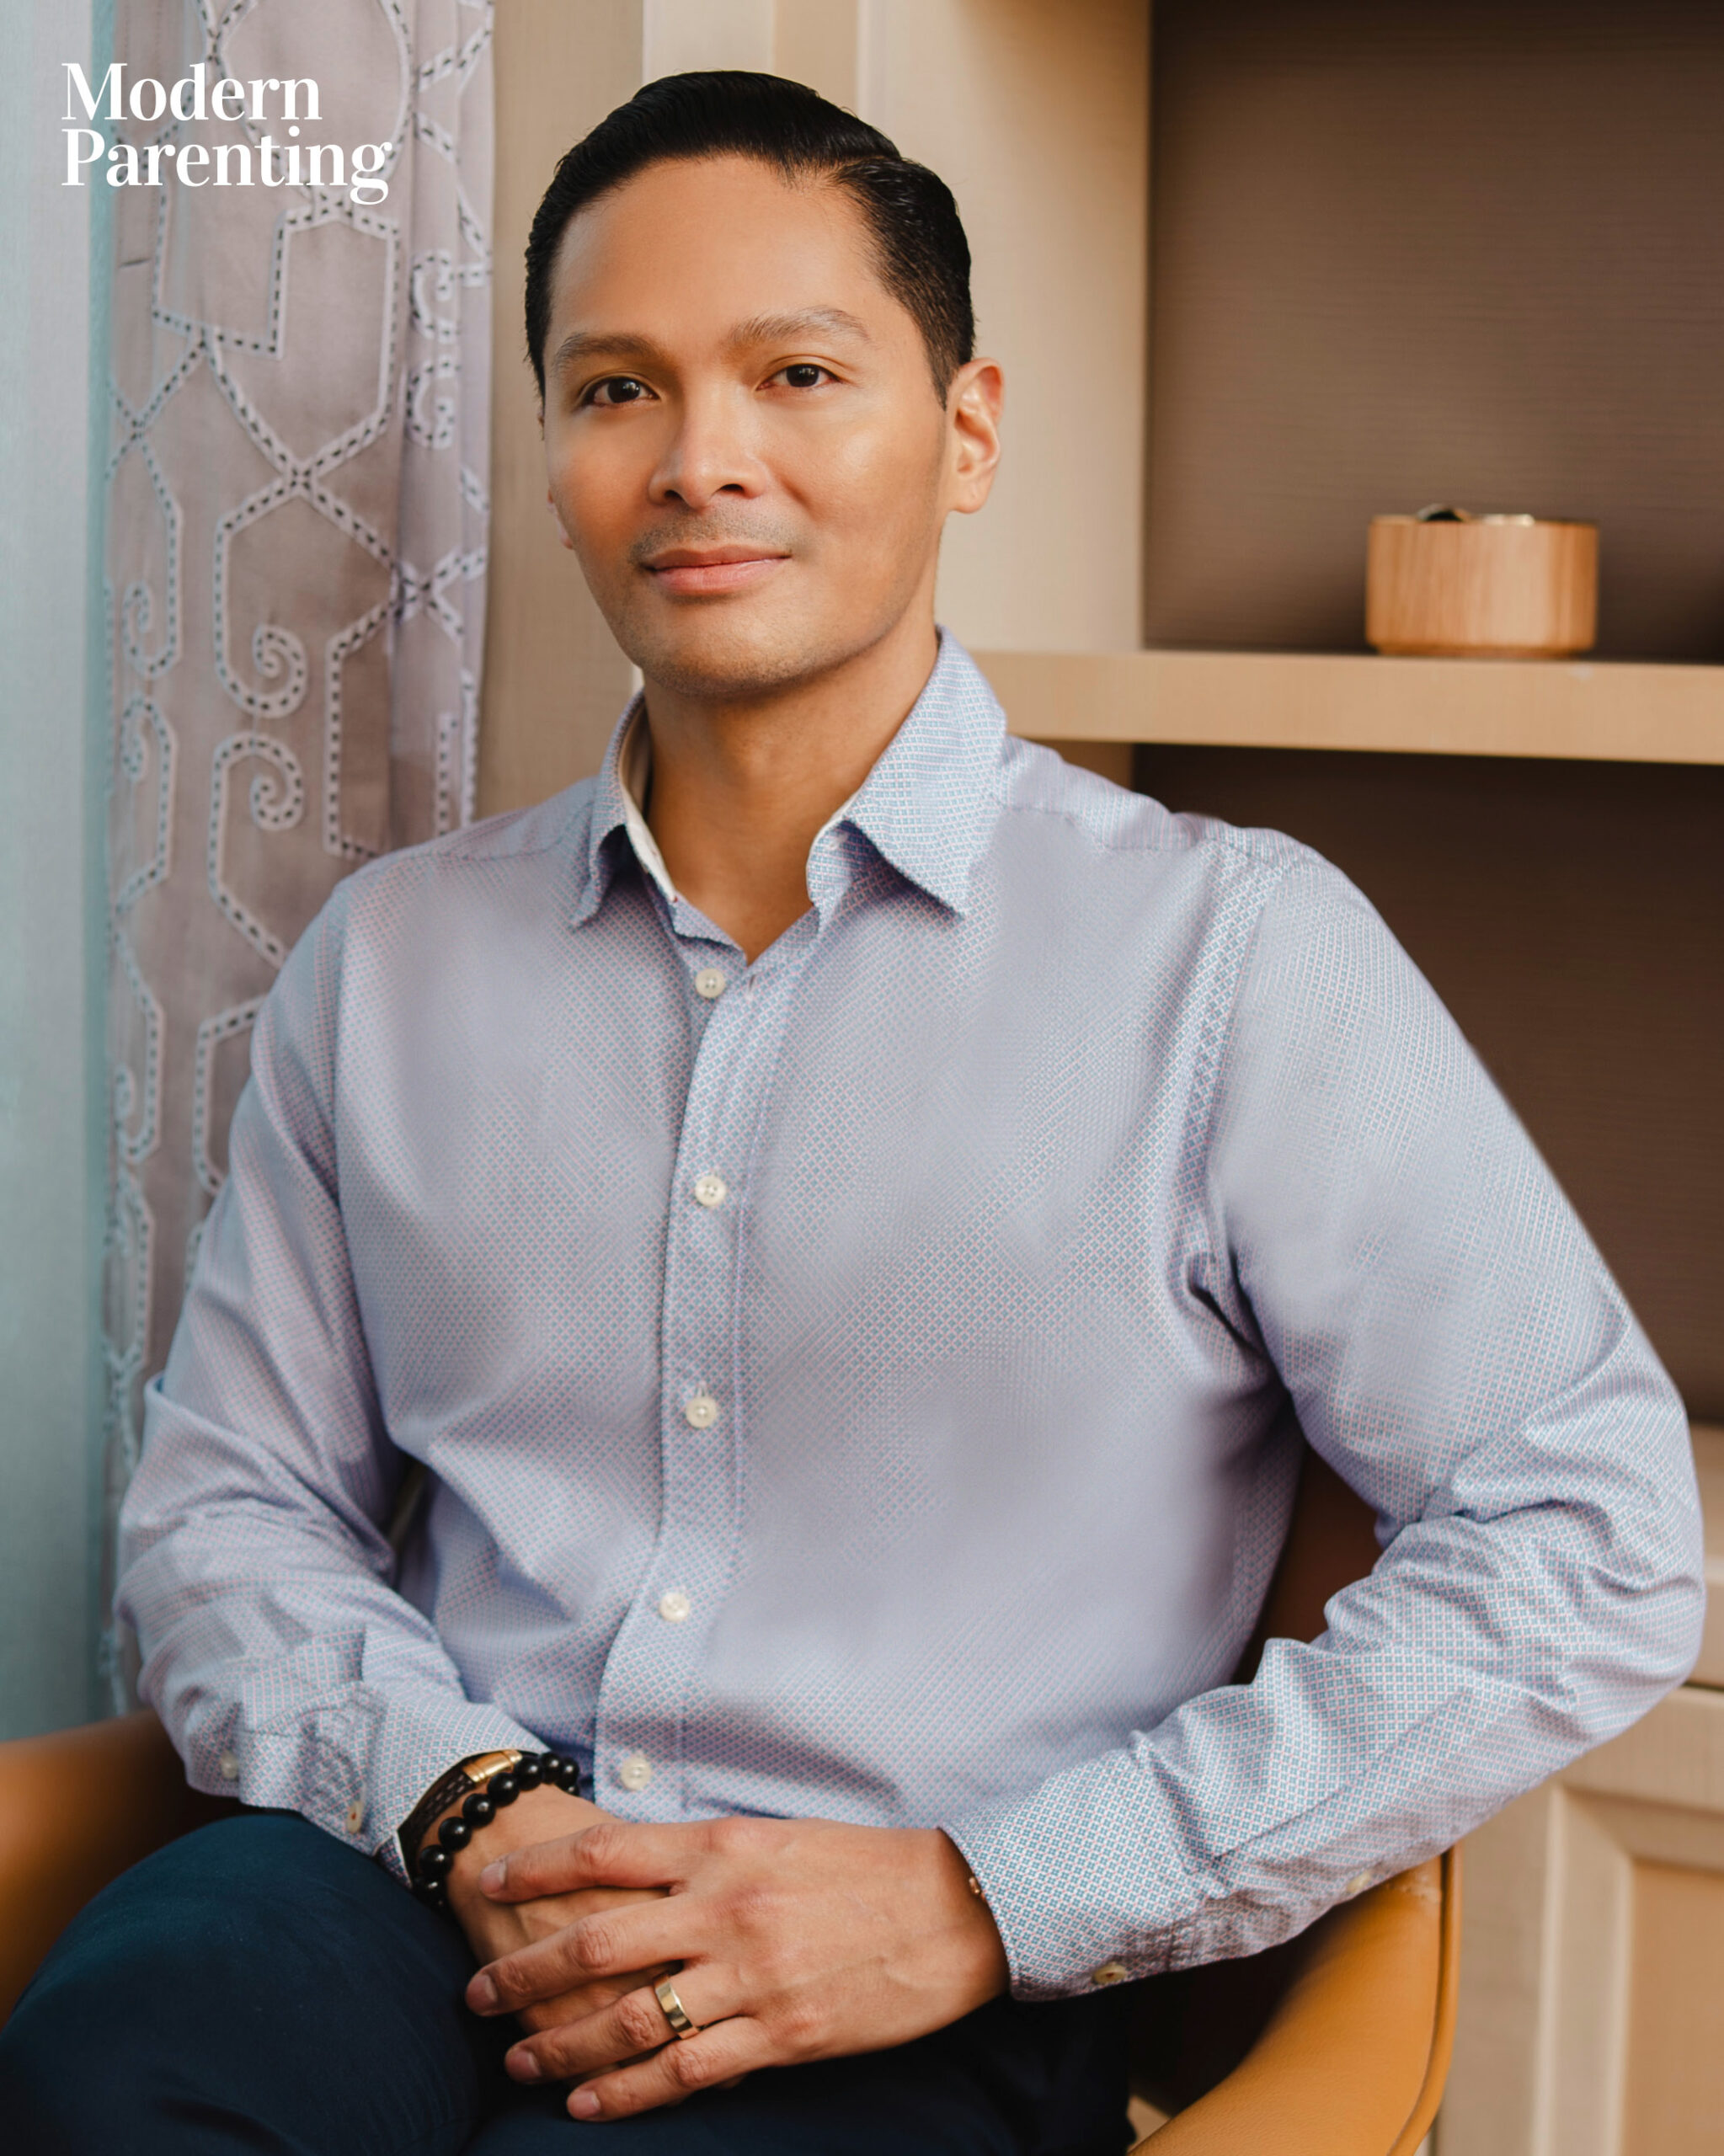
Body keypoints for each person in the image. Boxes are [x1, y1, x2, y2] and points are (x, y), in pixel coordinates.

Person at [2, 69, 1702, 2156]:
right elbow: (228, 1507)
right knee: (113, 2066)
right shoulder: (392, 958)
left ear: (965, 429)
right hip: (430, 1864)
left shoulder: (1233, 954)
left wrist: (992, 1896)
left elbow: (1590, 1530)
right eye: (615, 388)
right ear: (554, 454)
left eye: (796, 373)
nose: (700, 459)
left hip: (927, 1963)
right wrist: (459, 1798)